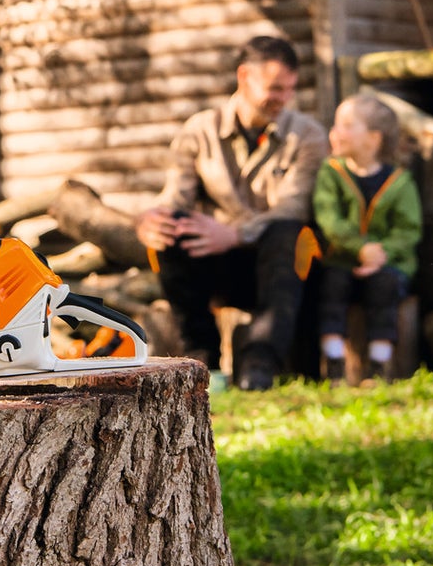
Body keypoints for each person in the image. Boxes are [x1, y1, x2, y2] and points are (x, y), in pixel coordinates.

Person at [135, 36, 329, 391]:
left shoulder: (309, 136)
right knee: (169, 230)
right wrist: (151, 221)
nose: (284, 98)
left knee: (289, 232)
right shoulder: (199, 130)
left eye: (290, 89)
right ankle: (201, 362)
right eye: (275, 88)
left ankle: (260, 368)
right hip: (219, 265)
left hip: (284, 270)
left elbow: (295, 207)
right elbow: (175, 197)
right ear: (244, 77)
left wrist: (235, 234)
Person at [312, 93, 422, 383]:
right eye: (336, 124)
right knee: (331, 284)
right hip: (342, 259)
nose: (336, 132)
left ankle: (378, 364)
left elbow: (408, 230)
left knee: (385, 287)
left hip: (388, 264)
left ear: (374, 139)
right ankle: (333, 364)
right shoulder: (331, 172)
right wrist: (360, 249)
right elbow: (329, 219)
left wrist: (381, 253)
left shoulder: (400, 182)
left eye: (347, 125)